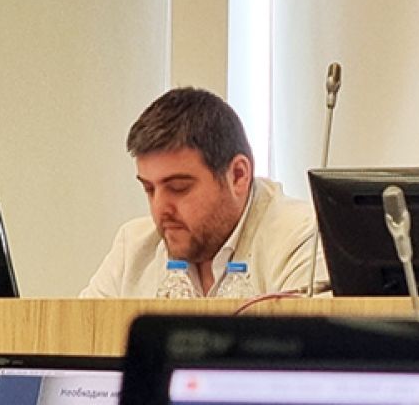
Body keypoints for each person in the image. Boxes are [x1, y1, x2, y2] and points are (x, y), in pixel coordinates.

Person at [81, 87, 319, 298]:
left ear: (238, 175)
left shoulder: (303, 238)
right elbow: (82, 331)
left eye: (178, 188)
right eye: (149, 189)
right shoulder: (132, 248)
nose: (159, 209)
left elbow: (314, 333)